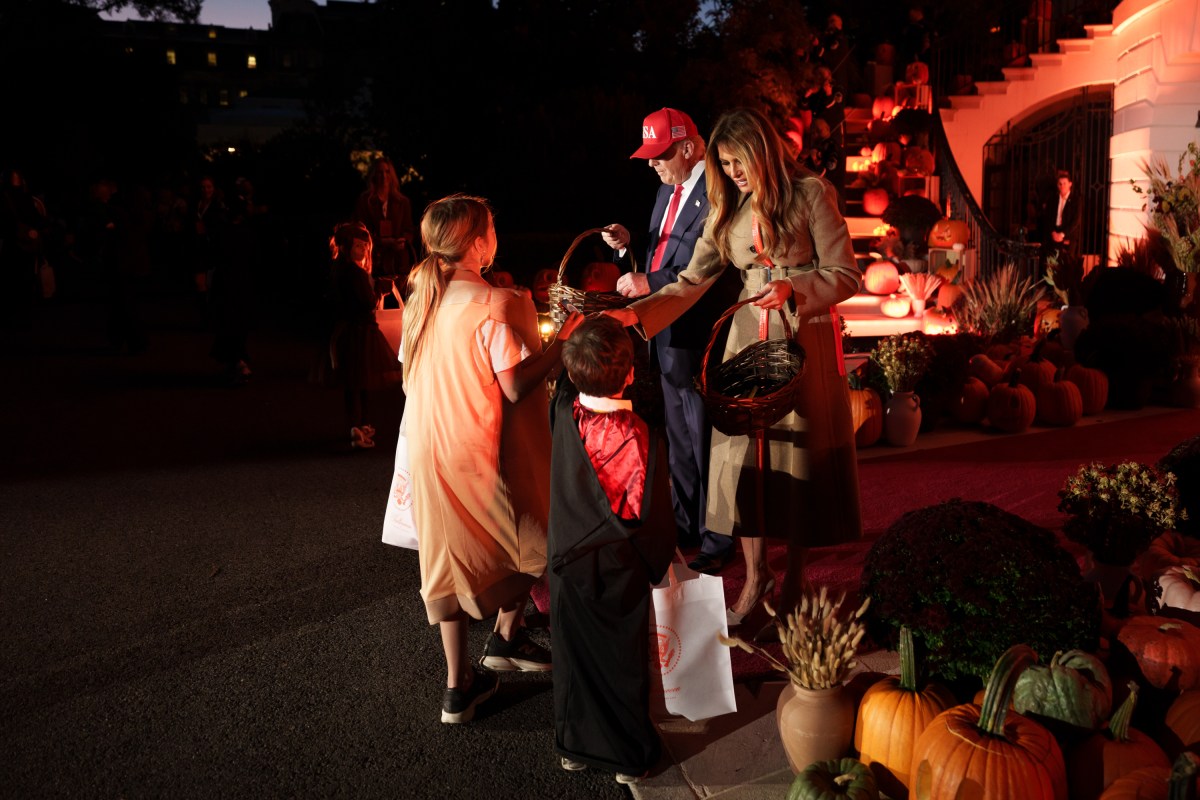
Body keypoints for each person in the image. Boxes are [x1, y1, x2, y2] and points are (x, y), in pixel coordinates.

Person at [606, 107, 864, 630]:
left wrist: (796, 287)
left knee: (795, 465)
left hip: (802, 337)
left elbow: (845, 274)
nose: (732, 171)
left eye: (737, 160)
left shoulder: (811, 192)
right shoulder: (726, 205)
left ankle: (791, 577)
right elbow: (692, 279)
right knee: (738, 462)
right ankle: (755, 576)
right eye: (723, 163)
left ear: (762, 150)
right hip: (746, 338)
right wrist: (634, 316)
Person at [399, 193, 583, 724]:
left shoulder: (421, 300)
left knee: (445, 561)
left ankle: (460, 684)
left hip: (429, 446)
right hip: (480, 449)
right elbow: (517, 386)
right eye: (492, 229)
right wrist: (563, 341)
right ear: (479, 242)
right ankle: (505, 636)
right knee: (530, 539)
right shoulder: (497, 303)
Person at [604, 107, 739, 575]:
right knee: (680, 438)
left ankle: (719, 537)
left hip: (697, 327)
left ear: (687, 148)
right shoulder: (668, 188)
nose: (651, 165)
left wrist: (651, 282)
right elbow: (668, 247)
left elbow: (712, 266)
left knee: (706, 438)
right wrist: (630, 246)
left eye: (658, 155)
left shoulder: (717, 189)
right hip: (665, 326)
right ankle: (687, 524)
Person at [548, 315, 675, 786]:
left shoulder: (563, 411)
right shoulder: (638, 435)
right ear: (628, 375)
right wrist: (656, 562)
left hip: (566, 560)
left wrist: (572, 334)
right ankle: (625, 757)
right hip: (619, 567)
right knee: (620, 659)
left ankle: (574, 747)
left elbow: (566, 382)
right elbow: (652, 515)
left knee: (573, 654)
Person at [316, 221, 401, 448]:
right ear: (345, 247)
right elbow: (366, 302)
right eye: (358, 246)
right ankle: (358, 425)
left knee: (354, 381)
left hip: (345, 331)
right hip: (360, 332)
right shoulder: (356, 272)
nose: (363, 250)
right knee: (361, 380)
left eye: (365, 246)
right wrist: (379, 290)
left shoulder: (337, 268)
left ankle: (359, 424)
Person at [353, 156, 415, 305]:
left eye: (387, 172)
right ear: (374, 175)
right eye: (379, 172)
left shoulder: (402, 202)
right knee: (376, 302)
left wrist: (403, 241)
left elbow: (409, 230)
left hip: (398, 261)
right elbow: (360, 230)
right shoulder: (365, 200)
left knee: (399, 302)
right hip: (374, 259)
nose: (383, 176)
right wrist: (381, 242)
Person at [1040, 169, 1081, 263]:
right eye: (1060, 184)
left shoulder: (1076, 200)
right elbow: (1048, 217)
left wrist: (1063, 234)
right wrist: (1053, 232)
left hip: (1067, 237)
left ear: (1070, 184)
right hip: (1054, 236)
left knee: (1066, 264)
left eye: (1064, 183)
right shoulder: (1053, 199)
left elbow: (1076, 221)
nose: (1062, 186)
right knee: (1052, 263)